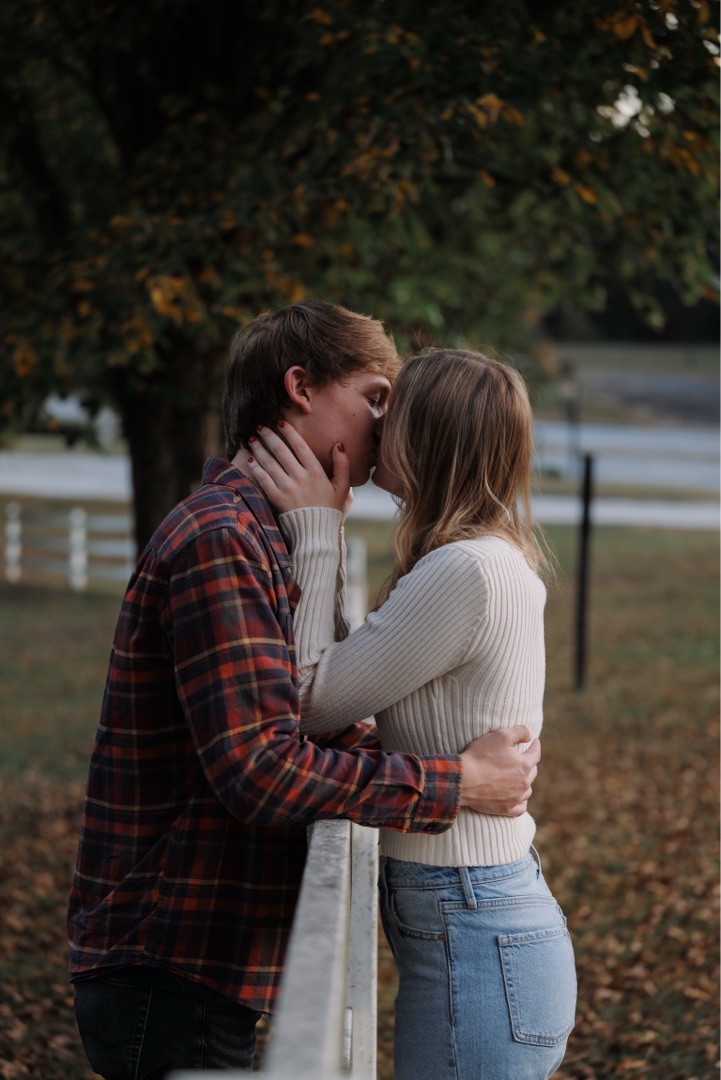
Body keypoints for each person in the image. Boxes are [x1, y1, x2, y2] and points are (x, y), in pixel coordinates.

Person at [67, 303, 541, 1078]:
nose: (392, 426)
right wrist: (457, 782)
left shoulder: (268, 533)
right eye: (376, 398)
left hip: (201, 958)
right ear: (300, 389)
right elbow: (262, 765)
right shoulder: (223, 537)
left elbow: (314, 712)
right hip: (170, 958)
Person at [246, 347, 577, 1080]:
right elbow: (360, 693)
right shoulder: (477, 558)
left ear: (426, 438)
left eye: (389, 413)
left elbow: (304, 699)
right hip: (478, 921)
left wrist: (318, 530)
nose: (373, 425)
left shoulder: (464, 571)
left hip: (476, 926)